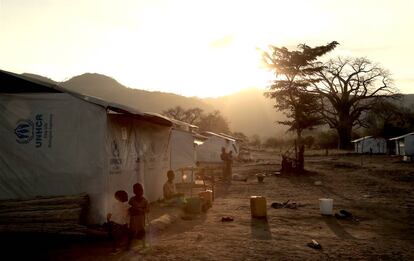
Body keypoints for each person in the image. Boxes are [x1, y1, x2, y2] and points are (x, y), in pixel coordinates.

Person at [128, 183, 149, 249]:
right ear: (134, 191)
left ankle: (144, 245)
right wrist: (134, 210)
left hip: (141, 220)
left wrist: (140, 210)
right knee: (132, 233)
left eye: (141, 190)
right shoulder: (132, 200)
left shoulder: (145, 200)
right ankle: (128, 246)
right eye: (138, 191)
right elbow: (129, 209)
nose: (140, 192)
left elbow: (147, 210)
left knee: (142, 231)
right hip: (133, 219)